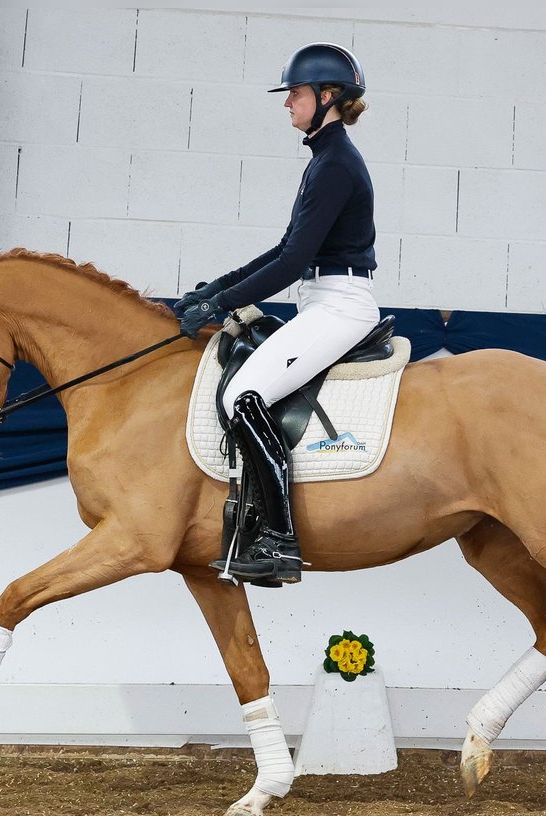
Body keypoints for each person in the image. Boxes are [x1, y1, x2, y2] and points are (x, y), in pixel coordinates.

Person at [175, 42, 379, 587]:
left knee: (245, 397)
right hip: (323, 299)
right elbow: (286, 247)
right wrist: (215, 289)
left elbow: (291, 261)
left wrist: (220, 306)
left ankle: (279, 541)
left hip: (339, 304)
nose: (287, 103)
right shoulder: (325, 159)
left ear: (328, 96)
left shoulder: (336, 164)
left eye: (295, 92)